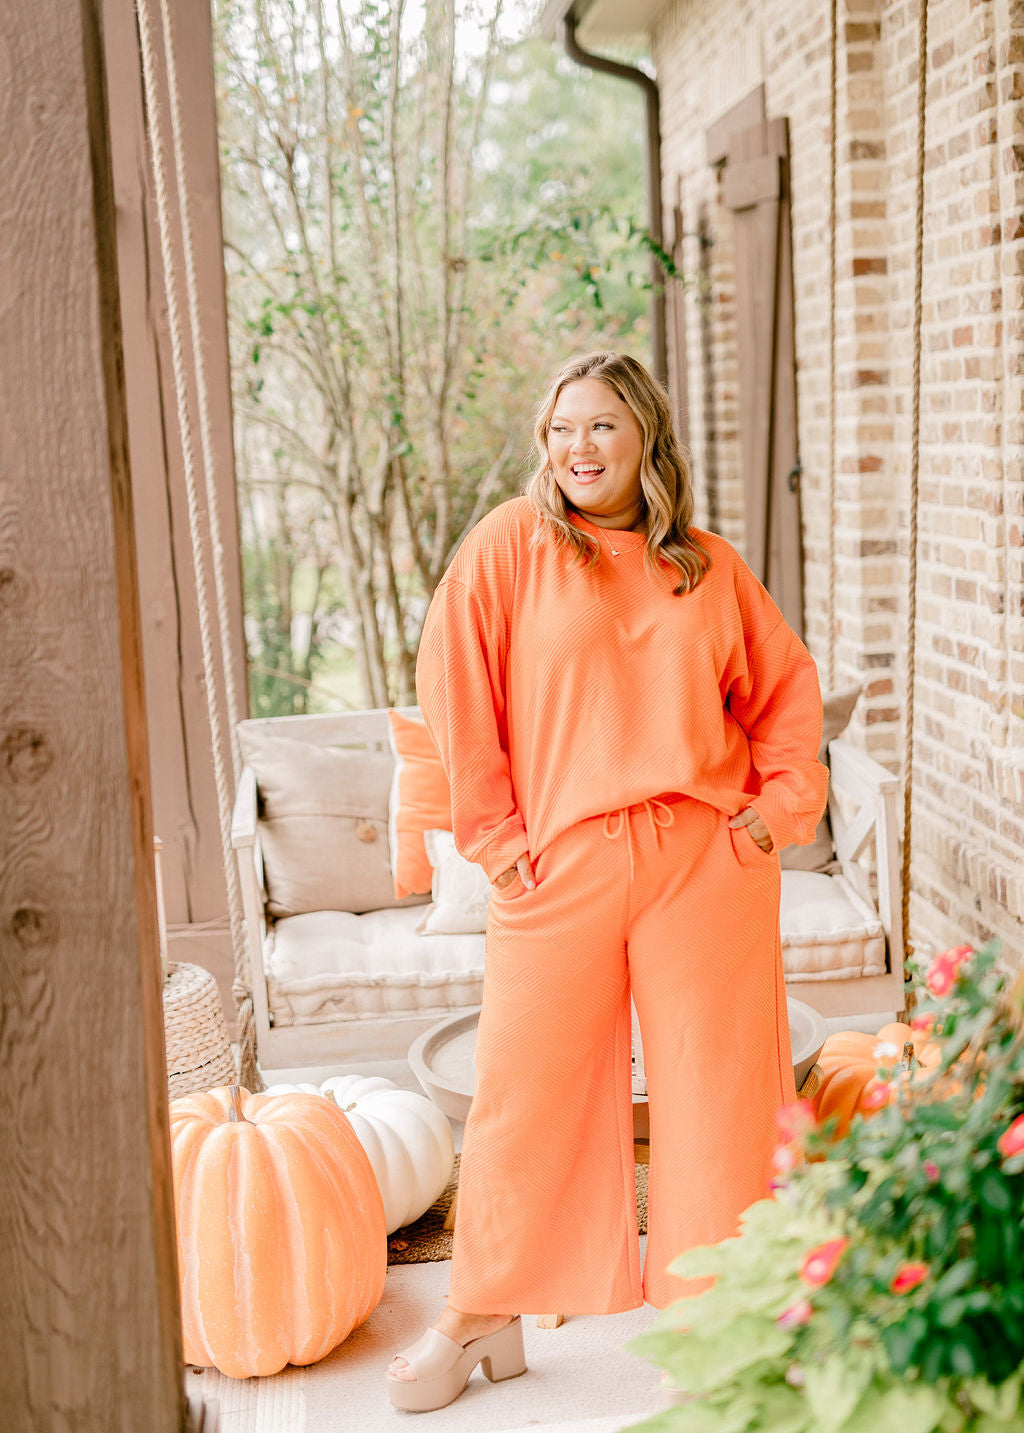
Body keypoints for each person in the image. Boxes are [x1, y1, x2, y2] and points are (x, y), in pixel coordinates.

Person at [385, 350, 828, 1413]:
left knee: (720, 1093)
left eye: (600, 428)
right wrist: (492, 839)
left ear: (645, 440)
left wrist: (771, 820)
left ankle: (732, 1318)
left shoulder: (708, 568)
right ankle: (482, 1313)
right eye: (560, 429)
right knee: (523, 1092)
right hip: (559, 865)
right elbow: (457, 688)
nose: (576, 449)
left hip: (701, 864)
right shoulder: (508, 548)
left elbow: (787, 700)